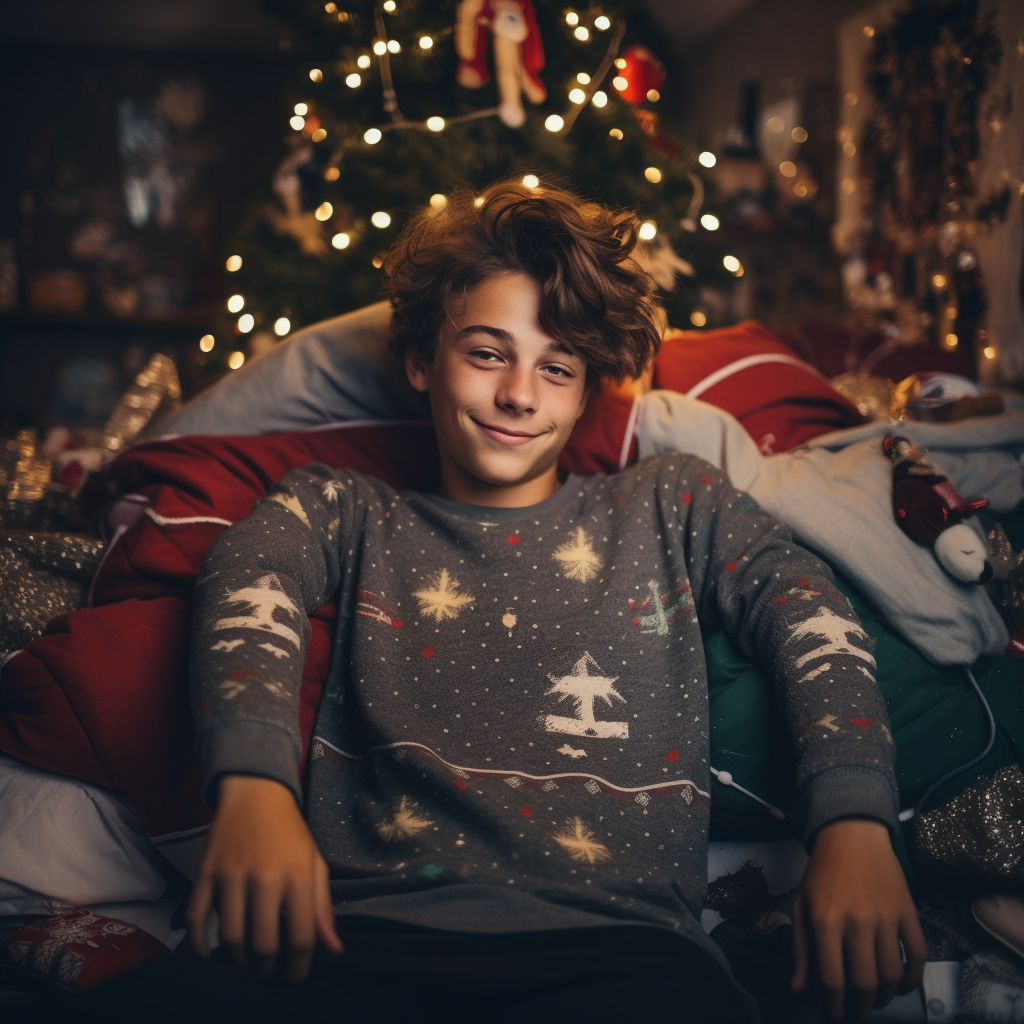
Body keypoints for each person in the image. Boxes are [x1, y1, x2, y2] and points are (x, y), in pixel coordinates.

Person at [180, 180, 925, 1023]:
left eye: (557, 367)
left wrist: (855, 823)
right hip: (357, 940)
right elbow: (249, 573)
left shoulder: (671, 503)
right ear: (422, 357)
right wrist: (252, 788)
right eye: (488, 353)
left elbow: (807, 611)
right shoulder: (345, 509)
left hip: (629, 957)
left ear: (586, 388)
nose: (521, 396)